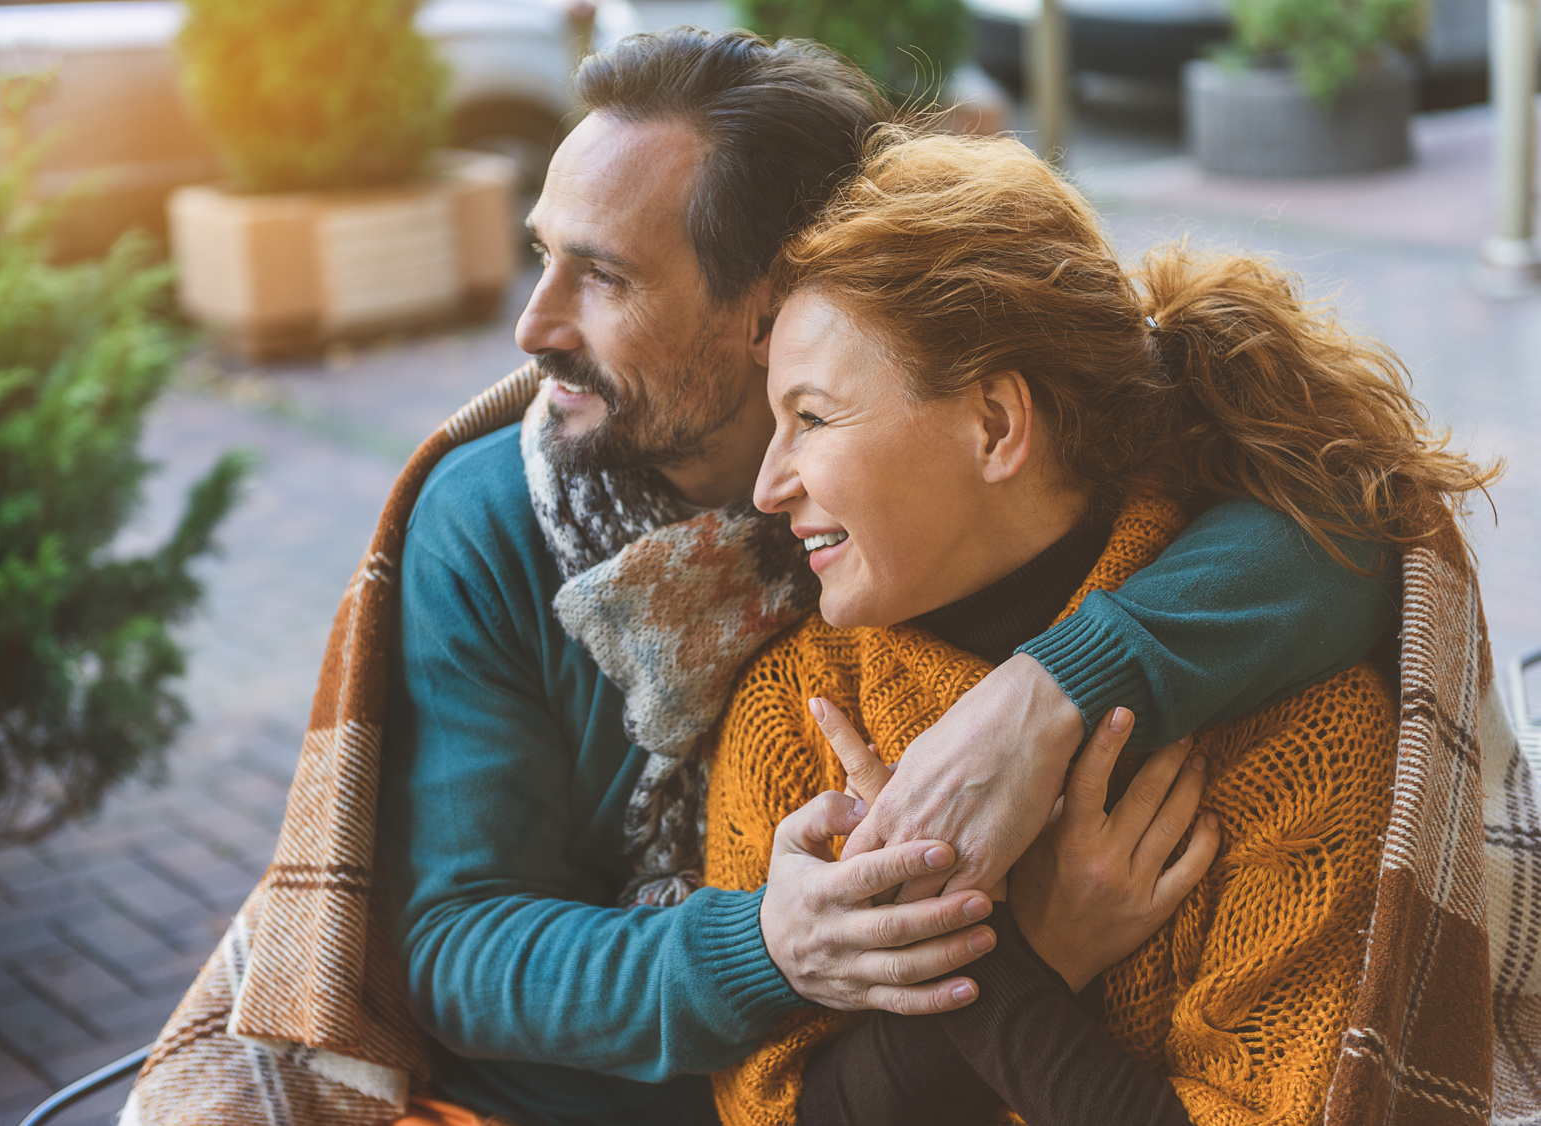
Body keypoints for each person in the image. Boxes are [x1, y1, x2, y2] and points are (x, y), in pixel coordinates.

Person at [372, 27, 1408, 1126]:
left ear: (775, 302)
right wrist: (782, 944)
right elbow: (451, 941)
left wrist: (1045, 696)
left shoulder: (996, 456)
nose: (532, 326)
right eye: (544, 253)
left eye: (604, 274)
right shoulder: (498, 522)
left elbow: (1346, 524)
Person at [703, 128, 1495, 1126]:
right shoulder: (794, 715)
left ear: (994, 424)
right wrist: (1029, 946)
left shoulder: (1298, 736)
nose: (767, 486)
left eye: (810, 418)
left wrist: (969, 955)